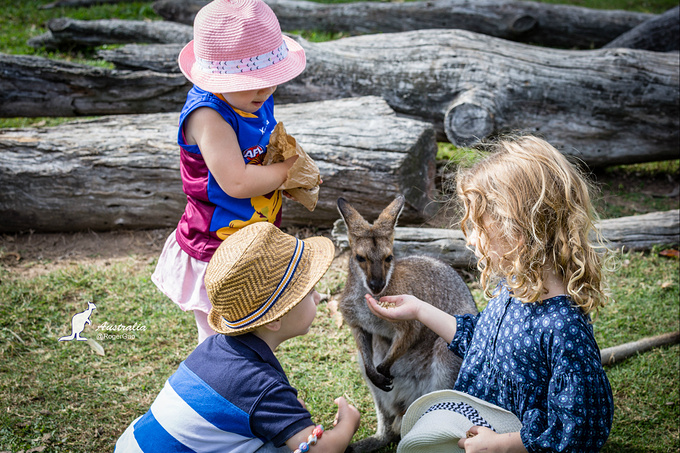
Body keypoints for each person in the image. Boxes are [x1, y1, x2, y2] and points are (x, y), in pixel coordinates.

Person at [366, 135, 614, 453]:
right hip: (478, 424)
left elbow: (581, 429)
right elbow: (482, 346)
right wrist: (419, 310)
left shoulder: (563, 327)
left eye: (477, 227)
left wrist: (504, 445)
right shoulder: (514, 287)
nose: (470, 240)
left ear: (519, 229)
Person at [116, 222, 361, 452]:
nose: (319, 298)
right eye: (309, 293)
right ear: (275, 319)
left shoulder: (213, 347)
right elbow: (319, 449)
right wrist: (347, 424)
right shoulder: (262, 387)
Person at [152, 0, 307, 344]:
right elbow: (236, 182)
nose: (267, 90)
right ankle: (219, 389)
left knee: (257, 332)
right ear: (218, 78)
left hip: (251, 237)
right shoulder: (209, 115)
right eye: (254, 81)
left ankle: (250, 386)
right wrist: (286, 171)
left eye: (272, 80)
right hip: (217, 245)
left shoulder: (252, 97)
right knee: (222, 339)